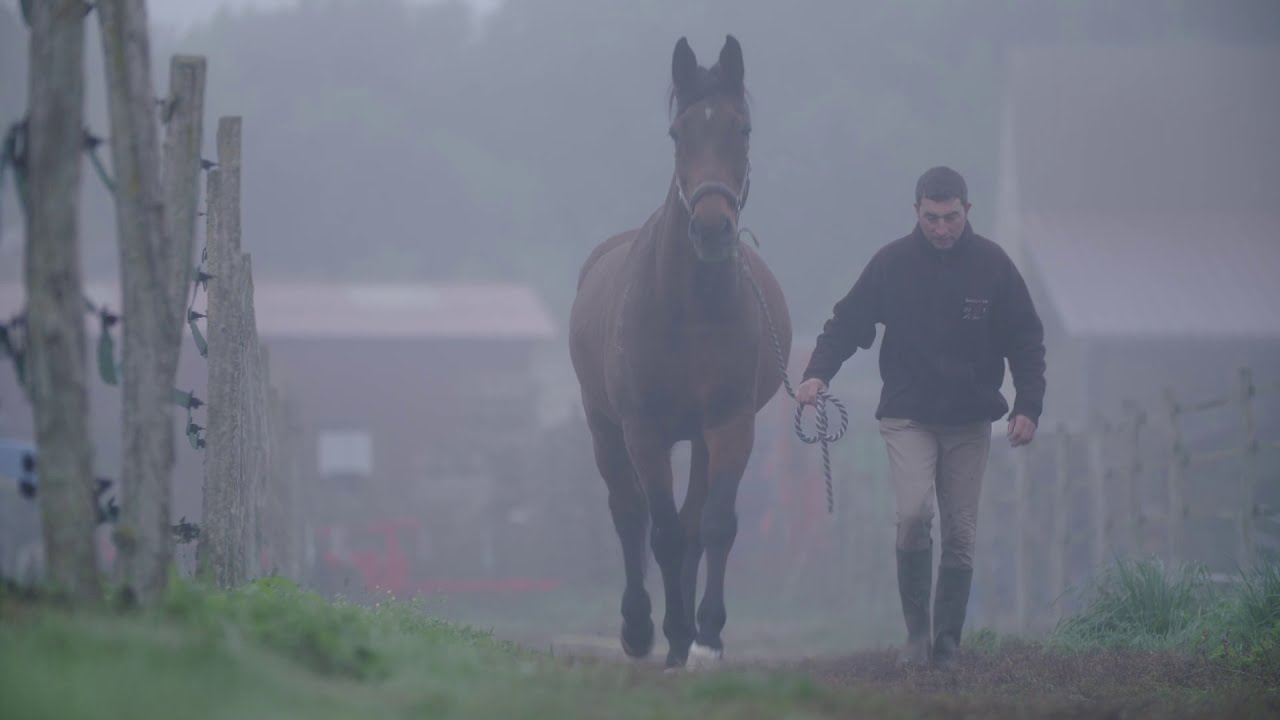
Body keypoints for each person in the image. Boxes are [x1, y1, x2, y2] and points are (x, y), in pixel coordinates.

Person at [796, 166, 1046, 670]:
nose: (941, 228)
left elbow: (1026, 338)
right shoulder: (891, 265)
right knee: (913, 515)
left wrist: (1028, 406)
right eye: (931, 218)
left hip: (970, 419)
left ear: (967, 211)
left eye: (951, 217)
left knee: (961, 532)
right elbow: (847, 322)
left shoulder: (993, 266)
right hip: (908, 415)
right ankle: (916, 636)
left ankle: (947, 642)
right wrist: (817, 374)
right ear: (917, 212)